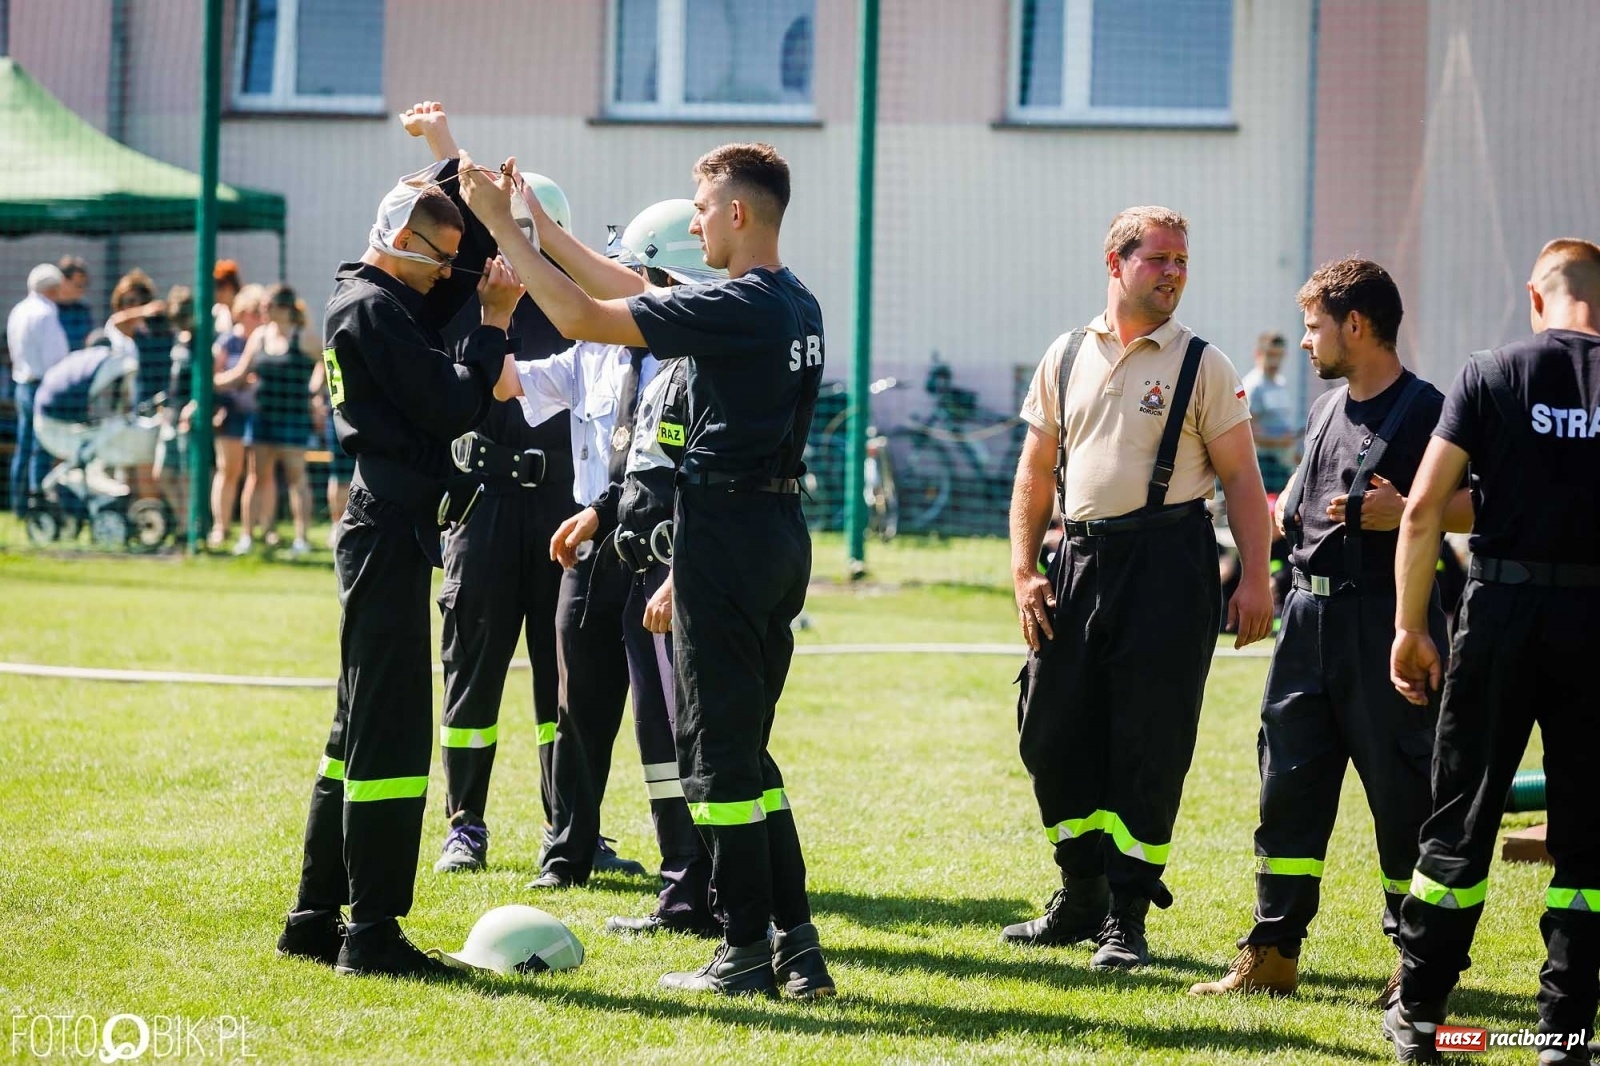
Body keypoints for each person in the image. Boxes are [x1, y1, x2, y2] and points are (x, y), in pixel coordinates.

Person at [462, 140, 836, 997]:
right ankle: (797, 948)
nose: (696, 222)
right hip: (772, 533)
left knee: (717, 762)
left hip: (730, 538)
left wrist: (497, 228)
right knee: (748, 757)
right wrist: (540, 225)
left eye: (701, 209)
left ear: (737, 213)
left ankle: (744, 949)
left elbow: (586, 316)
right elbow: (629, 284)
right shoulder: (789, 300)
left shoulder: (742, 306)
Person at [1189, 258, 1472, 1002]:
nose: (1306, 342)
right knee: (1287, 787)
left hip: (1384, 620)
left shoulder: (1430, 410)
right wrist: (1286, 512)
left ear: (1356, 324)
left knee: (1403, 799)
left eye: (1315, 327)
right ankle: (1273, 951)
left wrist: (1411, 506)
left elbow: (1482, 505)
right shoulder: (1324, 409)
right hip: (1304, 621)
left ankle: (1413, 961)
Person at [1003, 205, 1274, 971]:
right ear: (1115, 262)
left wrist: (1256, 577)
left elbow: (1245, 483)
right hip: (1078, 563)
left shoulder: (1204, 363)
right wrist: (1025, 570)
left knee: (1148, 742)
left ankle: (1126, 916)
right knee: (1049, 729)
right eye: (1158, 260)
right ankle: (1079, 892)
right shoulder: (1064, 355)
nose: (1173, 274)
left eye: (1182, 261)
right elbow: (1033, 473)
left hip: (1169, 564)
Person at [275, 159, 523, 979]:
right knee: (390, 731)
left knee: (355, 727)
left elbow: (459, 278)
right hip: (385, 527)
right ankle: (371, 932)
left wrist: (461, 173)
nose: (442, 273)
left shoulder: (384, 297)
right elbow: (454, 399)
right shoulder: (374, 308)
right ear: (393, 238)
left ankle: (314, 917)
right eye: (432, 254)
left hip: (388, 526)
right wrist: (490, 325)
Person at [386, 102, 641, 885]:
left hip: (565, 513)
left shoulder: (580, 310)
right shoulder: (471, 293)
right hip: (484, 506)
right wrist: (442, 144)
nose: (515, 251)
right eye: (510, 235)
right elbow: (456, 211)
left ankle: (571, 829)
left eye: (531, 237)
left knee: (567, 681)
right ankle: (466, 825)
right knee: (473, 672)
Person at [1384, 239, 1600, 1064]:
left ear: (1536, 299)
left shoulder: (1491, 371)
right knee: (1590, 838)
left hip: (1502, 610)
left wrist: (1411, 628)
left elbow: (1424, 509)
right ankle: (1565, 1034)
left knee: (1463, 816)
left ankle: (1424, 1015)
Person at [540, 198, 723, 937]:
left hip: (677, 561)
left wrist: (680, 569)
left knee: (693, 735)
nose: (622, 281)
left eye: (637, 267)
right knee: (634, 719)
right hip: (619, 547)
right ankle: (677, 886)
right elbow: (644, 466)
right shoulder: (613, 348)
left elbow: (700, 476)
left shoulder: (700, 356)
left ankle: (709, 891)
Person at [221, 284, 323, 557]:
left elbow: (325, 360)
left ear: (284, 307)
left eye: (268, 306)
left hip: (293, 416)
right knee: (256, 477)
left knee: (296, 477)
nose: (263, 311)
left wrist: (315, 388)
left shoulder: (304, 337)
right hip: (262, 416)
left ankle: (301, 540)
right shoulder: (260, 337)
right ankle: (247, 537)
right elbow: (241, 374)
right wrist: (210, 383)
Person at [7, 264, 73, 515]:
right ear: (53, 288)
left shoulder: (18, 311)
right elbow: (55, 357)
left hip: (22, 385)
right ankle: (38, 503)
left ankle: (18, 506)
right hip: (42, 386)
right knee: (41, 445)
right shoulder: (46, 313)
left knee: (24, 446)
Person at [210, 286, 265, 550]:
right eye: (255, 313)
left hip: (259, 414)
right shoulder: (227, 341)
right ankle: (220, 527)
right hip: (231, 413)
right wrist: (239, 383)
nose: (260, 318)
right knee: (229, 471)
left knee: (257, 474)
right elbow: (213, 380)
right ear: (242, 313)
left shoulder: (265, 341)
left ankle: (258, 529)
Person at [1244, 331, 1300, 493]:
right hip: (1263, 464)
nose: (1275, 361)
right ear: (1258, 354)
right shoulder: (1254, 386)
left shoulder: (1280, 383)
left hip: (1281, 463)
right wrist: (1279, 442)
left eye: (1279, 356)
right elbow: (1246, 431)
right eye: (1270, 355)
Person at [55, 257, 93, 354]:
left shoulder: (83, 309)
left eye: (85, 285)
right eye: (79, 285)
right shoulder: (48, 309)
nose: (82, 290)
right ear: (63, 281)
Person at [213, 260, 242, 337]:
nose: (215, 292)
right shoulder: (218, 311)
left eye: (218, 287)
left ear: (229, 287)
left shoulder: (246, 310)